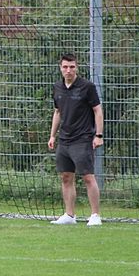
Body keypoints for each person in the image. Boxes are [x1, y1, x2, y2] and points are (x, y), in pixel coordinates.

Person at [48, 53, 104, 226]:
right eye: (65, 67)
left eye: (72, 67)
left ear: (76, 68)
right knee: (66, 177)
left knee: (88, 177)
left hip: (82, 139)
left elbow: (97, 110)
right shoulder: (57, 87)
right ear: (60, 68)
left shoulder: (87, 87)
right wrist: (52, 135)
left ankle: (95, 215)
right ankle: (69, 215)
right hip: (64, 140)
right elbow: (57, 112)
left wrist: (98, 135)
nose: (68, 70)